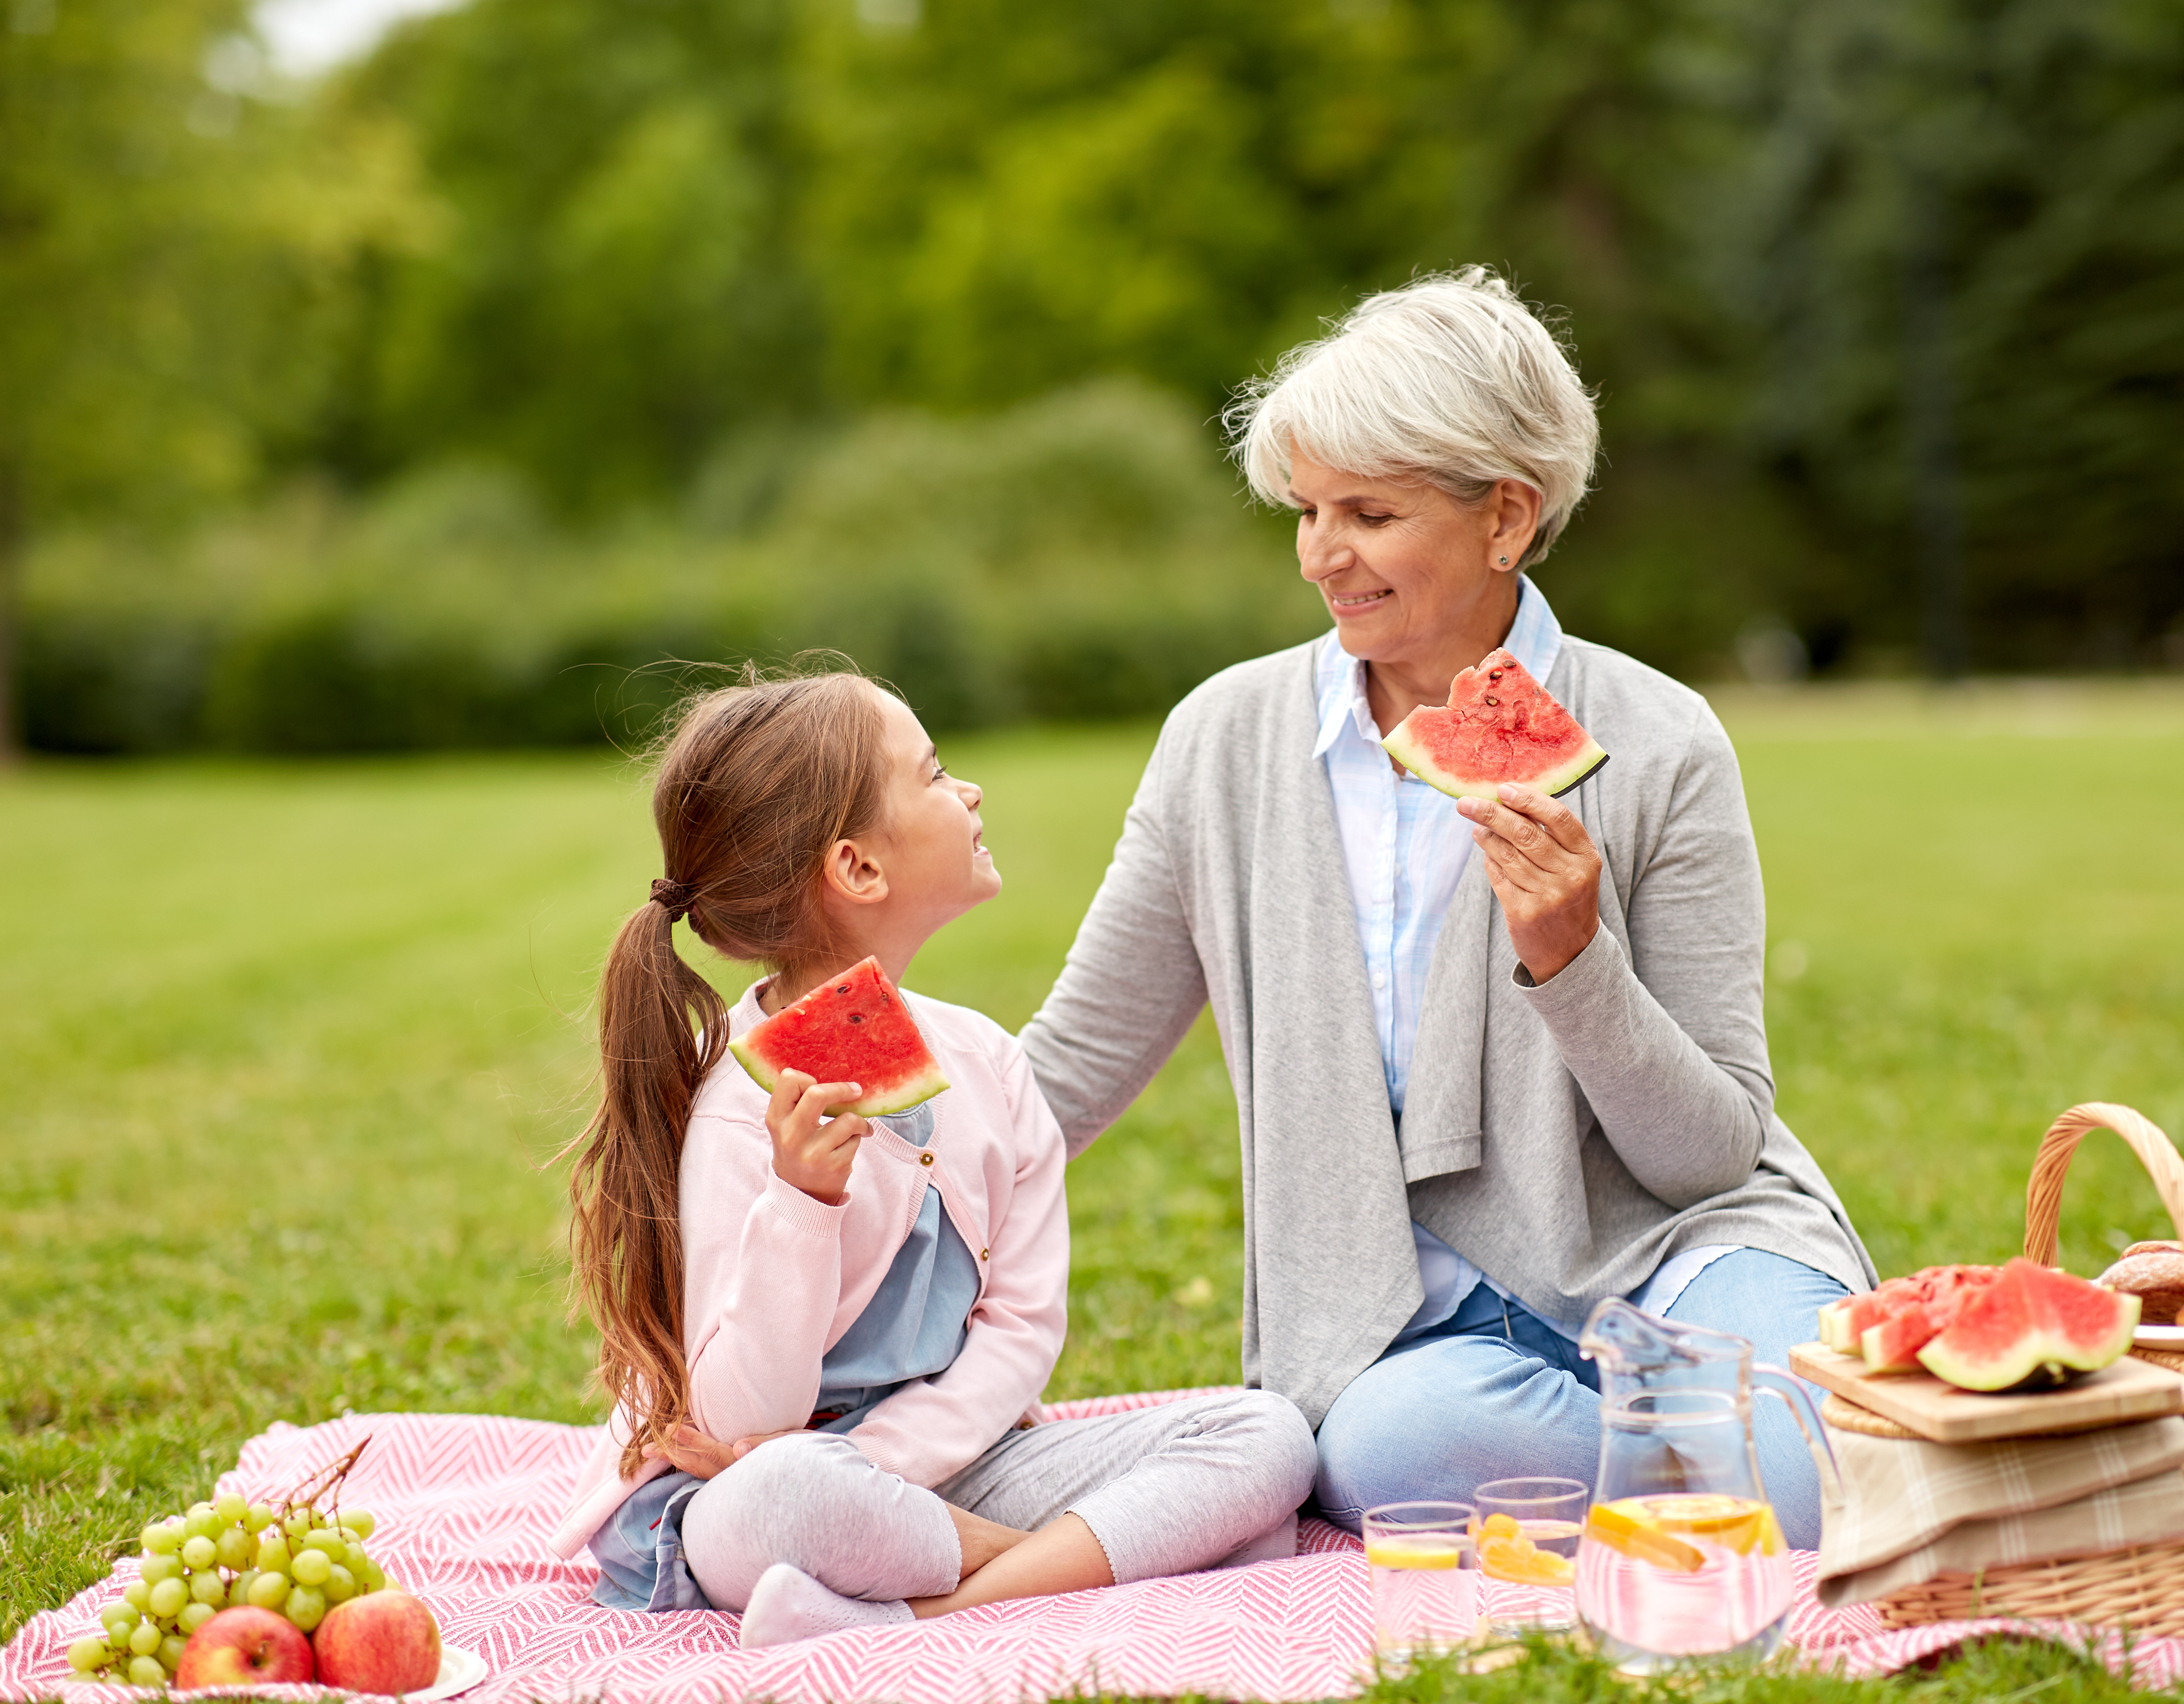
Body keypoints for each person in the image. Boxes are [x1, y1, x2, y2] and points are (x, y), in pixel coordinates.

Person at [1021, 270, 1875, 1548]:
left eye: (1369, 513)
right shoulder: (1225, 743)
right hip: (1414, 1319)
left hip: (1686, 1252)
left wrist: (1574, 963)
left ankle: (1749, 1449)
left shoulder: (1659, 739)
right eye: (1306, 511)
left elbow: (1706, 1154)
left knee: (1793, 1473)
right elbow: (1071, 1064)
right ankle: (1743, 1459)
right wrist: (850, 1193)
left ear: (1505, 519)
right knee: (1387, 1453)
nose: (1321, 554)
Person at [546, 668, 1315, 1646]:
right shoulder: (742, 1112)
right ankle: (1073, 1559)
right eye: (938, 774)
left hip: (950, 1467)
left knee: (1267, 1439)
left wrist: (892, 1468)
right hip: (754, 1494)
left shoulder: (988, 1066)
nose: (971, 793)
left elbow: (1022, 1326)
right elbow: (745, 1419)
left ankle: (908, 1612)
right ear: (858, 870)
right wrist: (801, 1206)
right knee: (790, 1490)